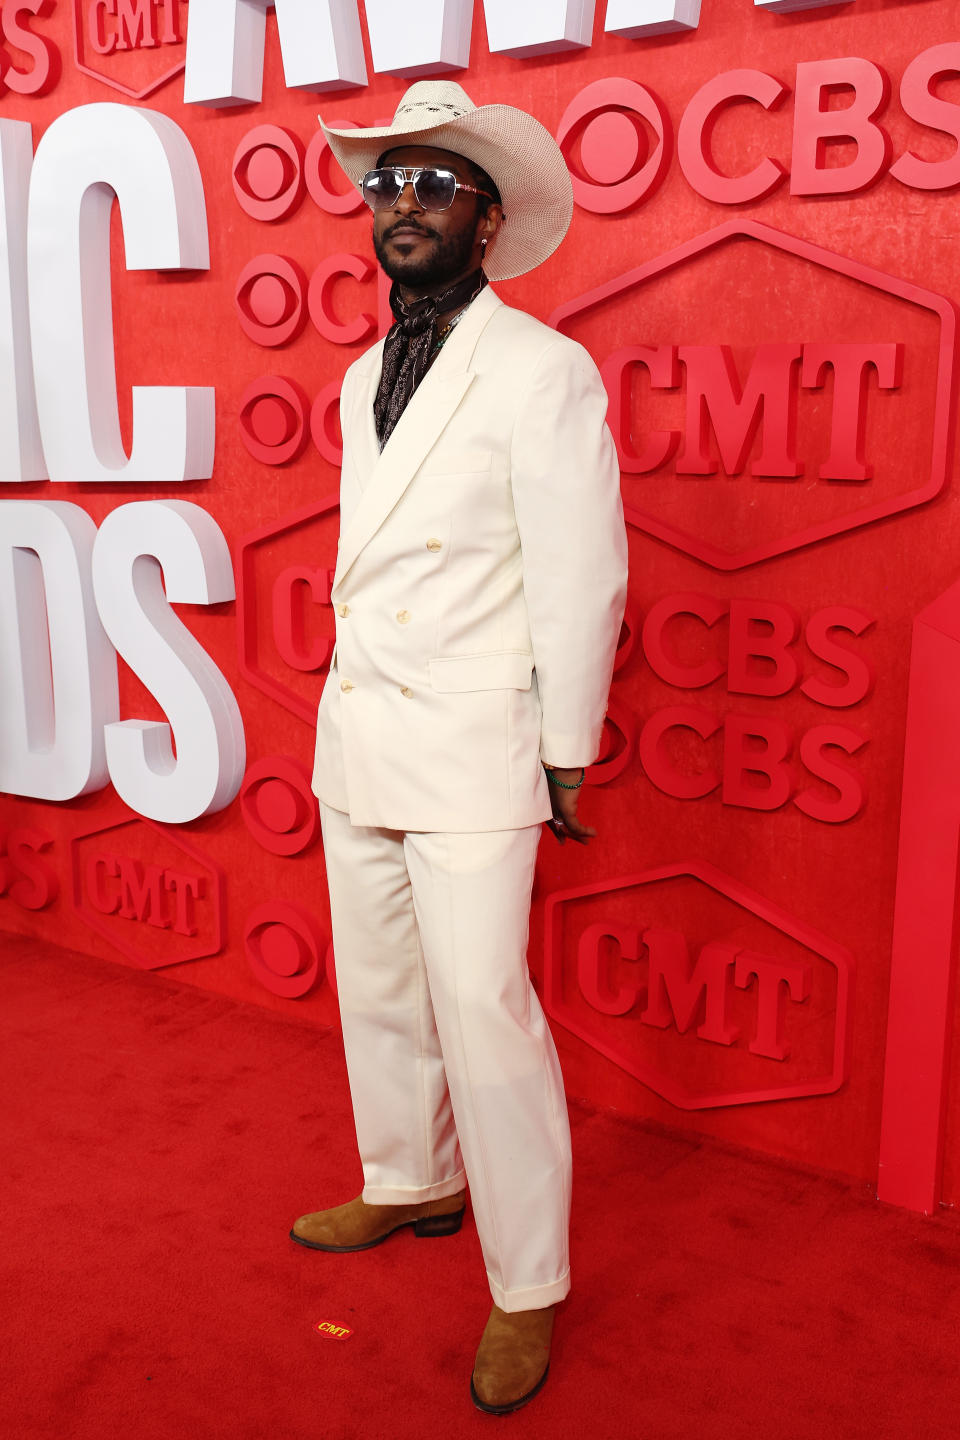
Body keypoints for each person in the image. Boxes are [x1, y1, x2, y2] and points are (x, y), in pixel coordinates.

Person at [293, 79, 628, 1415]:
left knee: (485, 1012)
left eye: (438, 187)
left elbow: (580, 572)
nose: (405, 208)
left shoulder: (542, 369)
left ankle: (528, 1281)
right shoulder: (356, 375)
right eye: (388, 185)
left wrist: (564, 748)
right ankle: (408, 1180)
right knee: (378, 987)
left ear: (489, 223)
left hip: (479, 740)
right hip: (363, 725)